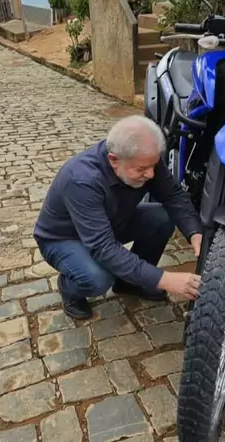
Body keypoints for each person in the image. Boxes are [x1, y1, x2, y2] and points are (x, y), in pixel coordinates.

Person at [34, 115, 202, 319]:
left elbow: (173, 195)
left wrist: (194, 232)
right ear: (114, 160)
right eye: (141, 169)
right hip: (63, 238)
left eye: (153, 166)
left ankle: (129, 283)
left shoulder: (142, 159)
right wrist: (164, 279)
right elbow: (103, 247)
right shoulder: (82, 181)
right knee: (98, 278)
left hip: (111, 222)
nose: (151, 174)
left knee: (162, 218)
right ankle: (69, 287)